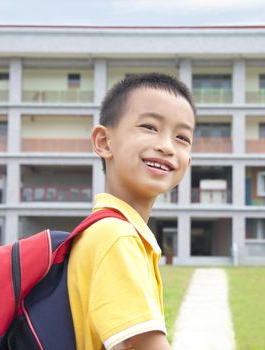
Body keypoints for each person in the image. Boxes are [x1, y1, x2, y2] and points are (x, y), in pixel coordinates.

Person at [67, 73, 196, 350]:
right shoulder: (117, 237)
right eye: (149, 127)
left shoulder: (103, 230)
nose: (166, 146)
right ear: (104, 141)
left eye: (182, 137)